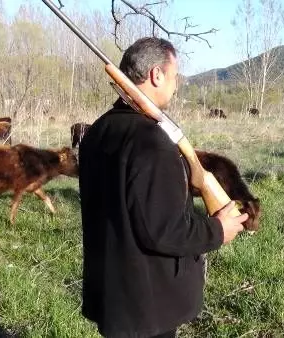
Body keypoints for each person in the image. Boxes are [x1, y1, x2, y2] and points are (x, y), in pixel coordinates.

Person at [78, 37, 248, 338]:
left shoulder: (99, 130)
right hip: (148, 307)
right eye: (174, 76)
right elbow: (165, 231)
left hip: (114, 297)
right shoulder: (152, 142)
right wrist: (218, 230)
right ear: (156, 75)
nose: (176, 84)